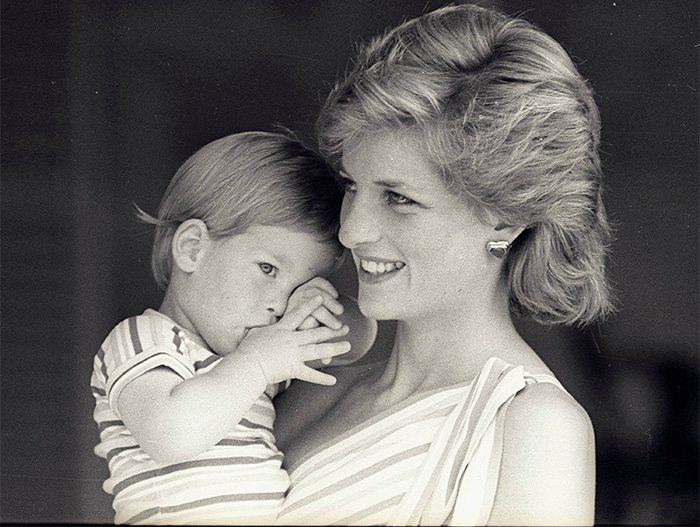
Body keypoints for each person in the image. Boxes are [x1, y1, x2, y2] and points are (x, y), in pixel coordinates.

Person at [273, 4, 615, 526]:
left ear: (505, 218)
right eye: (351, 186)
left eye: (399, 198)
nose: (350, 231)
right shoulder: (316, 389)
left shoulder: (534, 425)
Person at [90, 132, 376, 525]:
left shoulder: (257, 351)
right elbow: (170, 435)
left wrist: (314, 306)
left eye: (296, 286)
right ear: (193, 248)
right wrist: (257, 363)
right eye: (268, 269)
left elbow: (357, 340)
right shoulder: (143, 340)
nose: (280, 304)